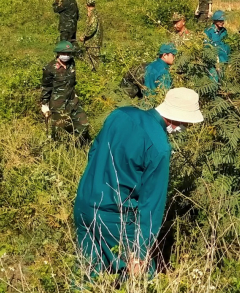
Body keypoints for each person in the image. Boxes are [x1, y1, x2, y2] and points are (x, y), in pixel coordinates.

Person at [74, 87, 204, 276]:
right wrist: (141, 252)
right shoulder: (159, 147)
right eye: (187, 123)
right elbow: (152, 204)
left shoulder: (120, 115)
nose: (186, 127)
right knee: (142, 279)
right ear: (179, 119)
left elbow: (93, 153)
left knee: (87, 273)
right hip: (115, 216)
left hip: (84, 205)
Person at [40, 41, 90, 145]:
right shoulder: (50, 68)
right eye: (64, 53)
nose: (66, 56)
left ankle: (76, 146)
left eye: (68, 53)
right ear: (58, 53)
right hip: (58, 105)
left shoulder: (72, 63)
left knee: (84, 125)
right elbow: (46, 87)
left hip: (73, 101)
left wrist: (74, 93)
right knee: (59, 133)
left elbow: (72, 81)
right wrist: (44, 104)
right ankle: (60, 151)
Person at [203, 10, 231, 81]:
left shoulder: (224, 31)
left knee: (224, 82)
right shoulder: (208, 31)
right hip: (213, 63)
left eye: (223, 21)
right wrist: (215, 62)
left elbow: (227, 46)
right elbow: (206, 48)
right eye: (220, 21)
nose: (222, 22)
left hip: (224, 61)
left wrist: (229, 61)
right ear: (215, 21)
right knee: (214, 81)